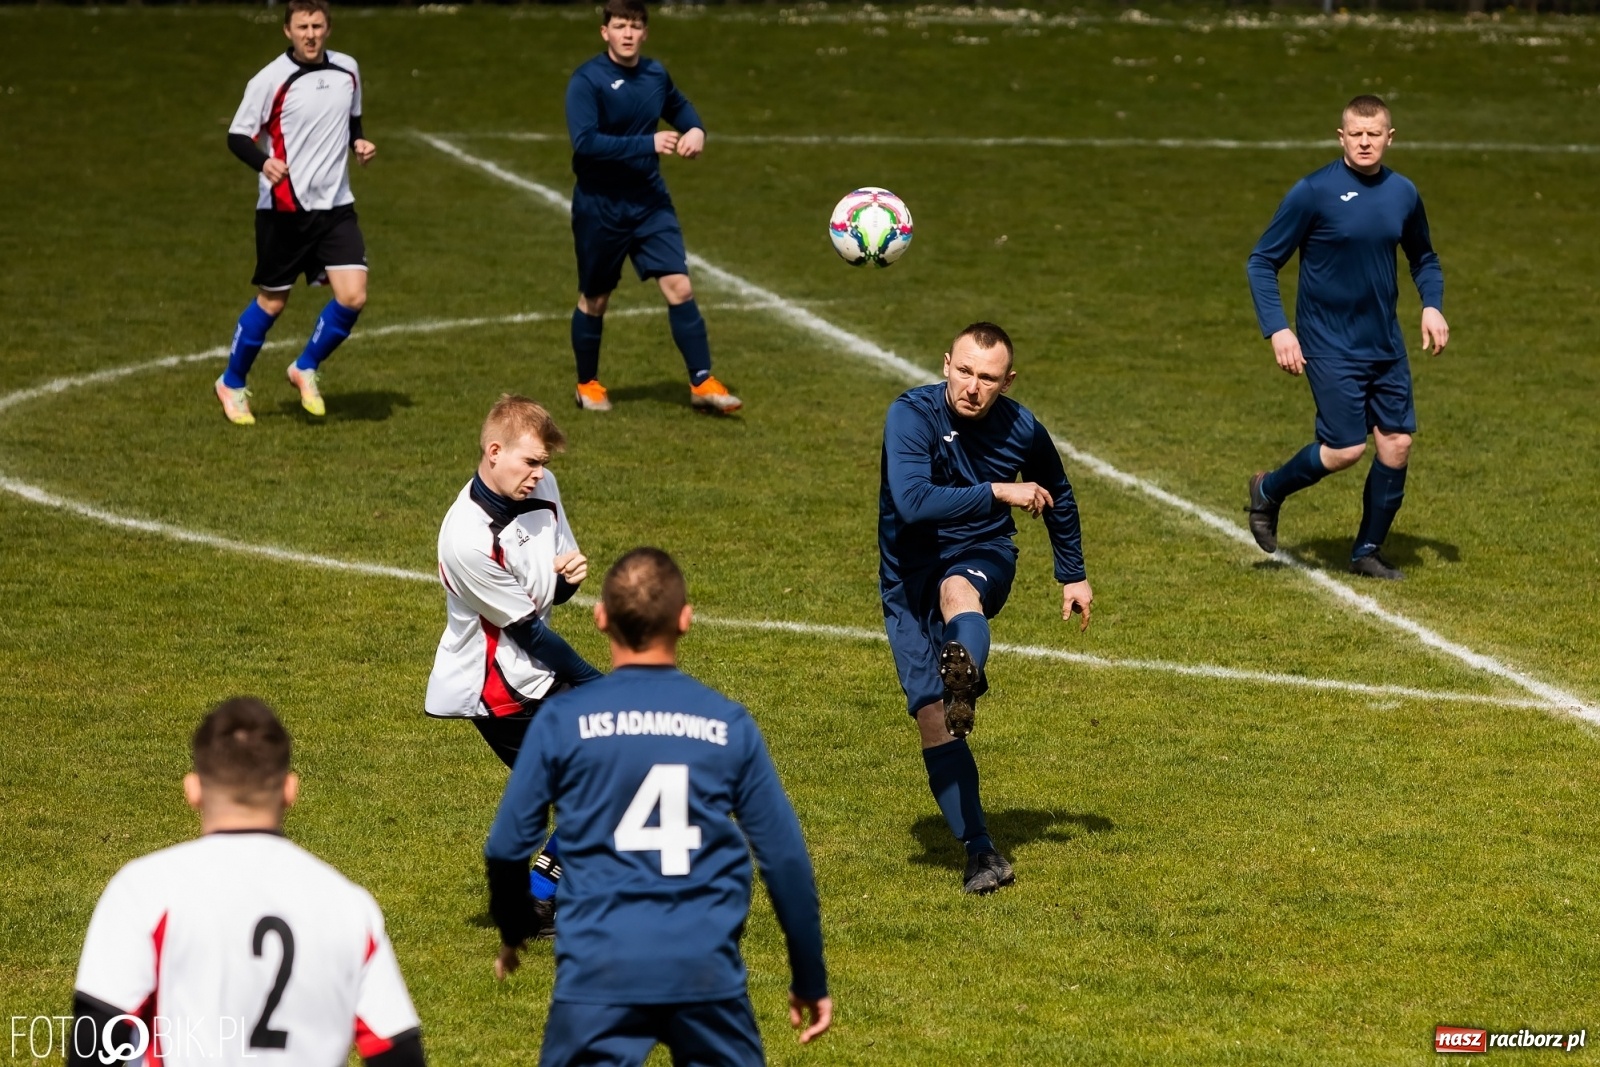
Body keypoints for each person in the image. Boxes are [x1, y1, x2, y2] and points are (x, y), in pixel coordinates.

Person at [484, 548, 832, 1065]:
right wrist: (808, 976)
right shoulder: (728, 726)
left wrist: (515, 930)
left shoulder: (561, 723)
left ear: (600, 618)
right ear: (686, 620)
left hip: (597, 973)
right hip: (705, 971)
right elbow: (785, 862)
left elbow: (507, 846)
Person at [69, 697, 424, 1067]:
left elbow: (96, 1040)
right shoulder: (349, 905)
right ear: (290, 790)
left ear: (193, 791)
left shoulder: (144, 890)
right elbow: (398, 1052)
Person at [879, 321, 1093, 895]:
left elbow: (1059, 494)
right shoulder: (911, 416)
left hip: (981, 552)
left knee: (959, 592)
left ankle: (964, 675)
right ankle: (980, 853)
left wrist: (1072, 574)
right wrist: (1000, 490)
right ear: (947, 363)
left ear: (1007, 381)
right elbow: (913, 501)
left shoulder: (1022, 427)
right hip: (905, 577)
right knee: (932, 720)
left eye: (989, 378)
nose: (973, 387)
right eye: (966, 371)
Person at [1245, 94, 1449, 580]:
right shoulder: (1313, 191)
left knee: (1397, 445)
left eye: (1373, 134)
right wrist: (1278, 330)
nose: (1364, 143)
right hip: (1328, 342)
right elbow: (1262, 262)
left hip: (1384, 343)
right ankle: (1268, 490)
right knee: (1344, 450)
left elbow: (1424, 257)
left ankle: (1366, 551)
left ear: (1389, 138)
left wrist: (1432, 304)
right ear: (1341, 137)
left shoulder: (1403, 192)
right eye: (1355, 134)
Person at [426, 395, 604, 927]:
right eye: (530, 462)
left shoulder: (543, 490)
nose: (538, 474)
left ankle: (541, 893)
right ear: (494, 451)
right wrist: (597, 683)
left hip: (537, 669)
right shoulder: (466, 539)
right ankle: (538, 893)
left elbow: (546, 594)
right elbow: (525, 629)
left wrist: (568, 581)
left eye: (544, 464)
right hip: (499, 690)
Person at [564, 0, 741, 416]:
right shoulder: (587, 81)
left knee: (679, 285)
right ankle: (587, 384)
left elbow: (678, 107)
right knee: (596, 298)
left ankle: (701, 381)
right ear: (604, 32)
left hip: (649, 201)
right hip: (600, 207)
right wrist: (647, 142)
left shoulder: (655, 74)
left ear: (645, 32)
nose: (628, 33)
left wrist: (695, 129)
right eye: (620, 25)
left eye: (636, 26)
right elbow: (585, 142)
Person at [216, 0, 376, 426]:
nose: (310, 34)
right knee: (272, 302)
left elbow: (352, 119)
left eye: (317, 26)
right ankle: (232, 382)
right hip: (284, 209)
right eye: (302, 26)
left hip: (336, 206)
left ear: (328, 28)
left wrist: (359, 143)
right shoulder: (270, 79)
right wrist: (263, 162)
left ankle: (304, 367)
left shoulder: (347, 69)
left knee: (354, 295)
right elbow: (237, 136)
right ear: (287, 30)